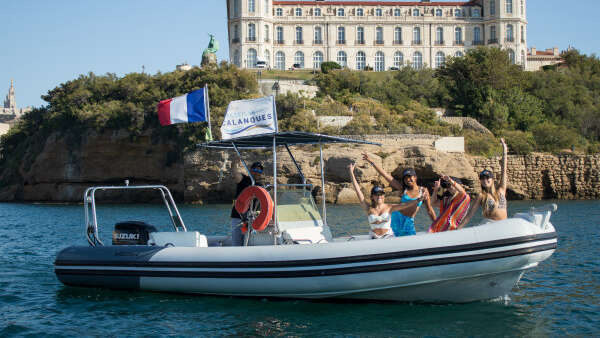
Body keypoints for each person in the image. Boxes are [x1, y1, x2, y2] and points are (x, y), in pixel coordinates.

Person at [362, 153, 436, 236]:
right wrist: (371, 162)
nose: (408, 179)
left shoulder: (423, 191)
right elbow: (386, 175)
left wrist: (436, 224)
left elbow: (429, 210)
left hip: (409, 222)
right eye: (405, 178)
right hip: (396, 219)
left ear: (415, 177)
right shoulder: (403, 189)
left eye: (410, 177)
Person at [349, 163, 424, 239]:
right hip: (373, 237)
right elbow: (358, 191)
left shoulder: (389, 207)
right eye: (377, 194)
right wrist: (351, 173)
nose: (379, 196)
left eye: (381, 194)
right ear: (372, 197)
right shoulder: (368, 208)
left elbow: (404, 205)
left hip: (388, 237)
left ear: (384, 196)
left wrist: (417, 200)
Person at [461, 138, 509, 226]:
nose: (485, 180)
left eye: (487, 177)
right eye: (482, 178)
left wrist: (504, 150)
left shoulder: (501, 190)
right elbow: (469, 215)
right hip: (491, 226)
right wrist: (458, 230)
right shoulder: (481, 196)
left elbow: (504, 170)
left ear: (492, 179)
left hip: (504, 226)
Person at [230, 161, 264, 246]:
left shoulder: (261, 186)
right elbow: (235, 173)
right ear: (250, 170)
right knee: (237, 243)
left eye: (259, 171)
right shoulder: (243, 179)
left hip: (253, 220)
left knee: (250, 242)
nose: (257, 172)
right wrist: (234, 162)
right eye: (255, 170)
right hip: (238, 218)